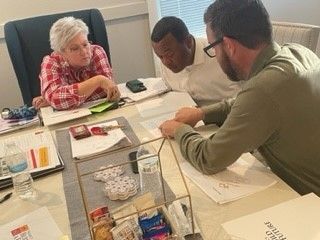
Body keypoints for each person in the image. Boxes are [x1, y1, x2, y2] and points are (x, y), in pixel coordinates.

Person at [160, 0, 320, 195]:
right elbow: (244, 104)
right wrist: (201, 113)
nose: (215, 55)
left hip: (308, 205)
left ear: (228, 45)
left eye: (213, 47)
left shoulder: (263, 89)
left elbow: (209, 158)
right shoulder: (298, 52)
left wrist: (179, 130)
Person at [151, 16, 241, 107]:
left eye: (169, 55)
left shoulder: (220, 54)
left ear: (188, 42)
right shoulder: (165, 62)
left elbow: (244, 98)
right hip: (184, 115)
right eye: (160, 57)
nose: (166, 62)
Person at [33, 16, 120, 110]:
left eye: (85, 44)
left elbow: (107, 90)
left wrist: (60, 99)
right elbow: (56, 99)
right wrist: (98, 80)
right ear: (61, 52)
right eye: (75, 48)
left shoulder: (96, 52)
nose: (84, 51)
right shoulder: (50, 62)